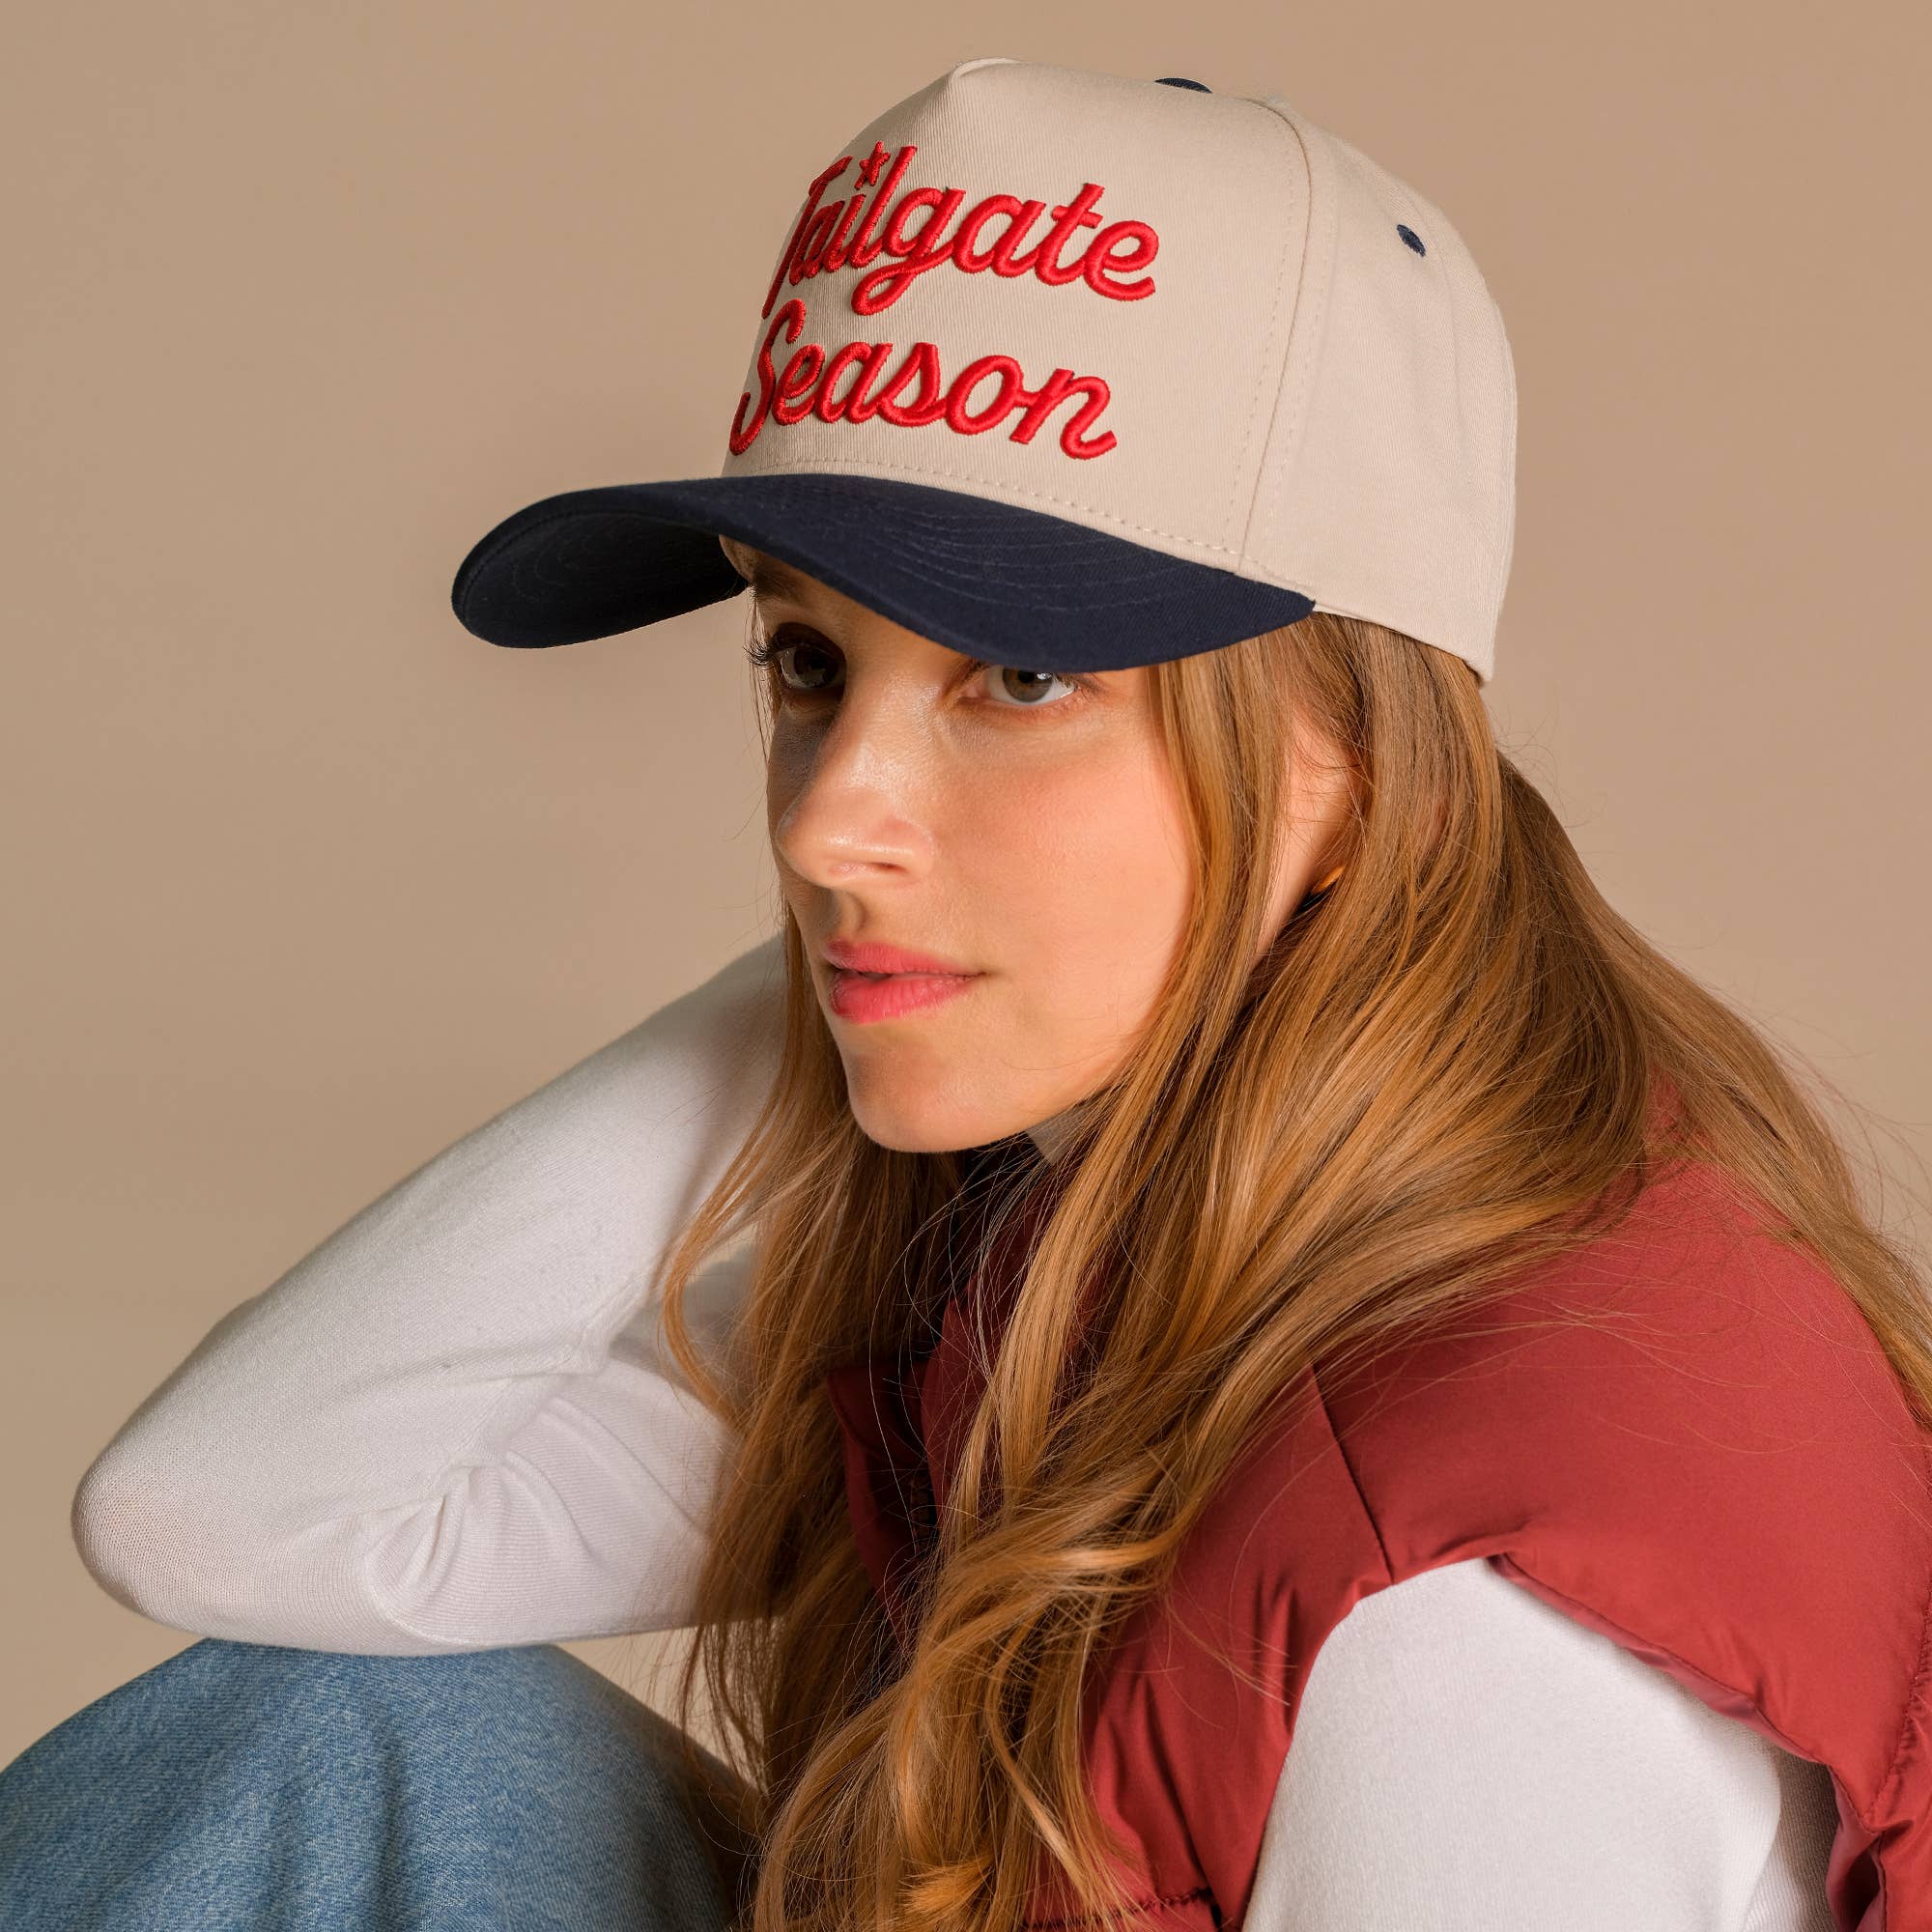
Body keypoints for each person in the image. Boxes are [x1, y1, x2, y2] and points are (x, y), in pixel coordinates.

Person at [4, 53, 1922, 1932]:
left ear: (1345, 761)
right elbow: (233, 1515)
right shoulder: (1076, 1241)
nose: (824, 820)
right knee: (330, 1738)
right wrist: (864, 961)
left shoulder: (1459, 1629)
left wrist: (911, 937)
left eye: (1020, 676)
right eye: (808, 663)